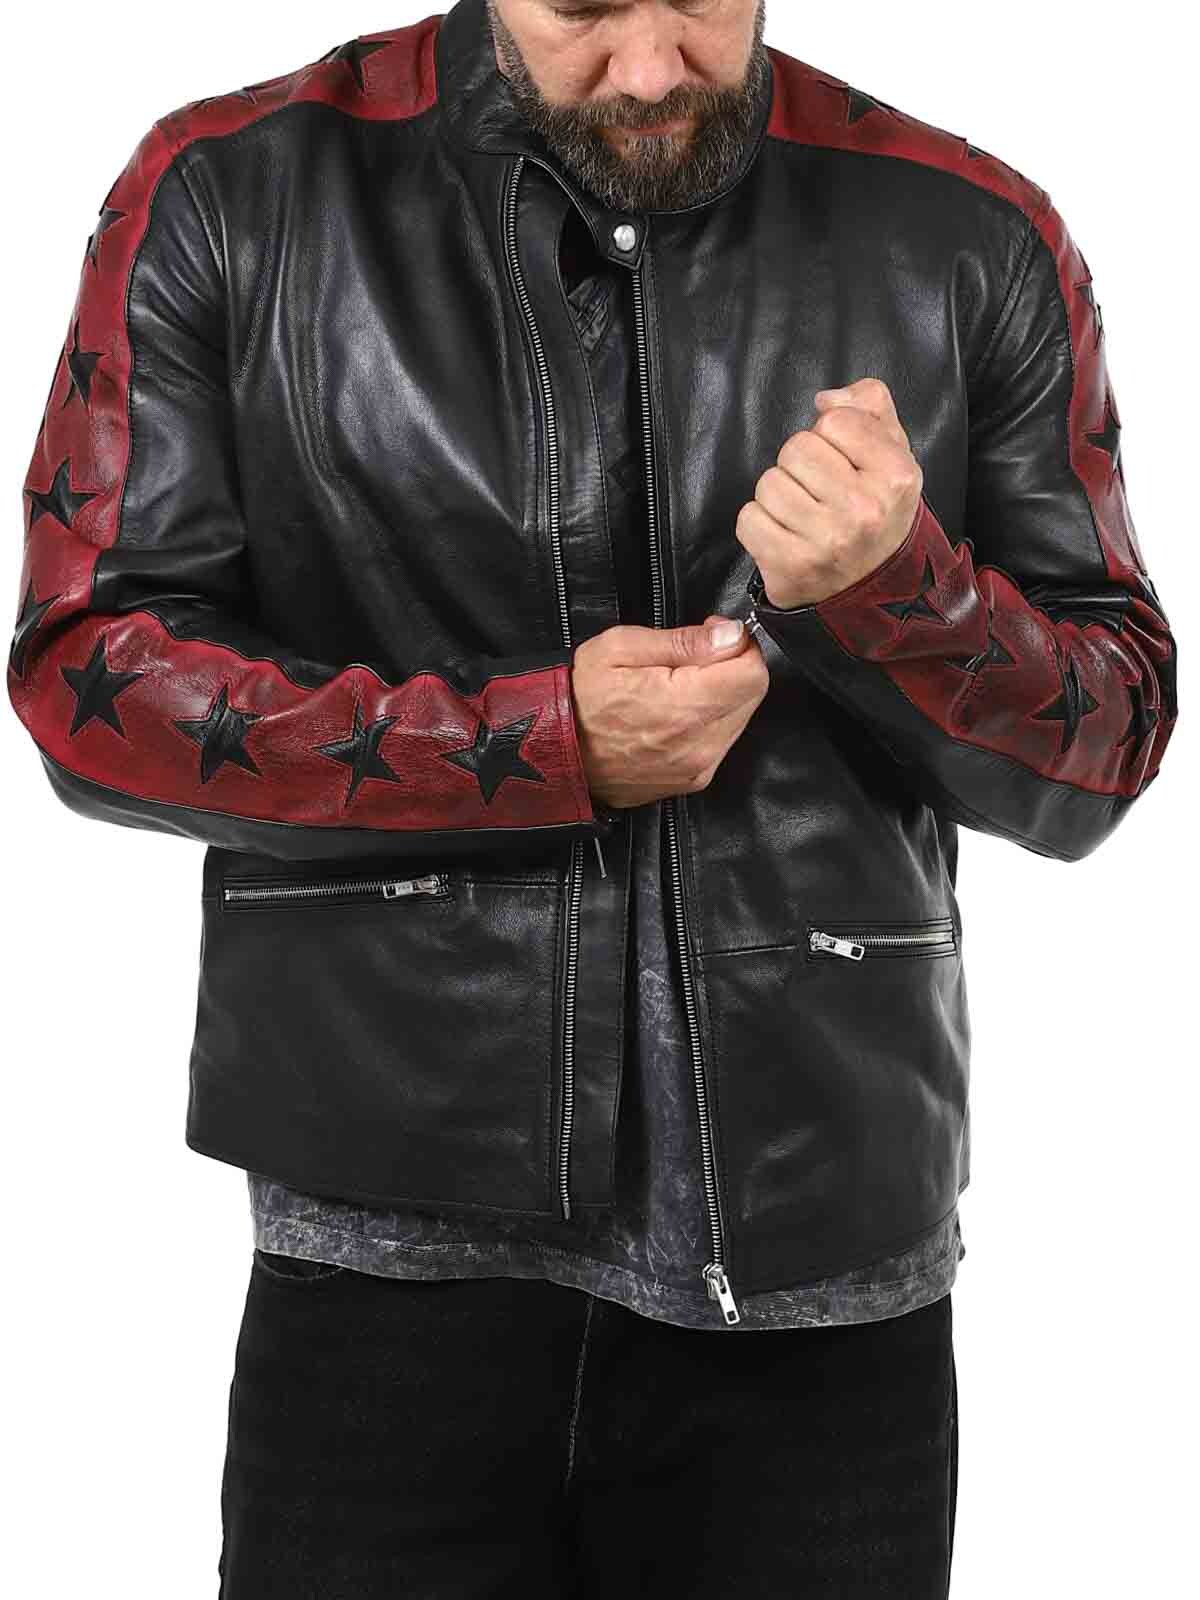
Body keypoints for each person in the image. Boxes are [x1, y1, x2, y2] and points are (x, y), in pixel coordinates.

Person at [7, 0, 1179, 1594]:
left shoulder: (969, 229)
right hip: (388, 1266)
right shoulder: (231, 189)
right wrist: (540, 746)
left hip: (823, 1284)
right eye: (580, 10)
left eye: (697, 2)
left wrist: (898, 590)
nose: (647, 70)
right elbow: (86, 676)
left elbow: (1111, 740)